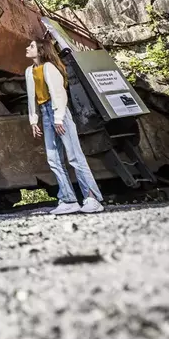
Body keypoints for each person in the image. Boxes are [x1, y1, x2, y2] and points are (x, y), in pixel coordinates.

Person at [25, 36, 105, 216]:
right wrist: (33, 121)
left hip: (58, 112)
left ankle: (92, 197)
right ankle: (68, 199)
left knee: (75, 156)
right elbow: (32, 99)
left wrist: (59, 118)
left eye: (31, 46)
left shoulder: (50, 67)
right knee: (54, 159)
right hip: (45, 114)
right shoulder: (29, 71)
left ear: (41, 50)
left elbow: (59, 94)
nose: (27, 48)